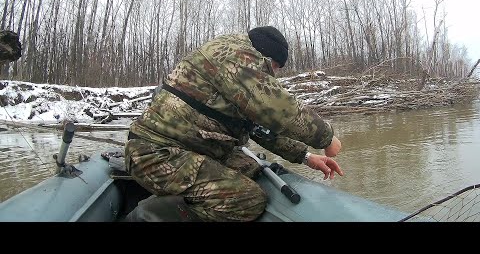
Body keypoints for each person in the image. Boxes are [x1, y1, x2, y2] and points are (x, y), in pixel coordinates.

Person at [124, 26, 344, 222]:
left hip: (183, 148)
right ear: (268, 58)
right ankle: (150, 214)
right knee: (249, 200)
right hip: (157, 154)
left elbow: (259, 127)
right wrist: (326, 137)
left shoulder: (233, 61)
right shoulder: (238, 59)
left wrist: (306, 157)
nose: (274, 75)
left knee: (251, 167)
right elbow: (280, 110)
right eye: (276, 68)